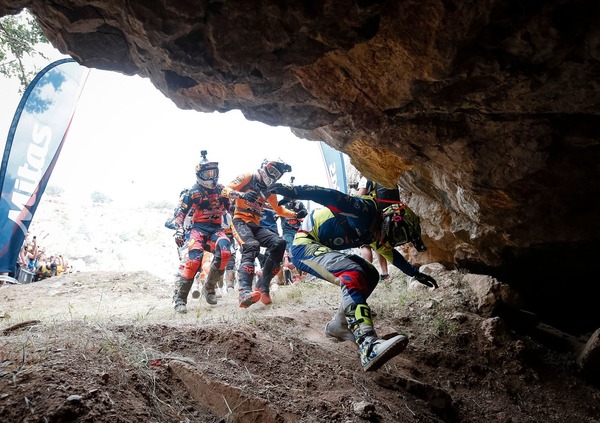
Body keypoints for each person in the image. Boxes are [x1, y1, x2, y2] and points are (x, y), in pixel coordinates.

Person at [267, 183, 438, 371]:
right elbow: (329, 196)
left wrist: (415, 273)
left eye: (399, 239)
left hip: (318, 245)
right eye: (395, 234)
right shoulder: (365, 210)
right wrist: (294, 191)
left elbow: (390, 254)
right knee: (352, 272)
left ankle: (338, 326)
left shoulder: (375, 231)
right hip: (303, 245)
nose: (391, 241)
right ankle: (367, 343)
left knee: (370, 274)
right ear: (388, 218)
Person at [223, 159, 307, 308]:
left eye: (277, 174)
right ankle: (244, 292)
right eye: (272, 171)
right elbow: (225, 190)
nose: (273, 176)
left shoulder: (269, 191)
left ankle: (263, 285)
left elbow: (279, 210)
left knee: (280, 243)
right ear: (264, 168)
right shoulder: (248, 177)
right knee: (251, 246)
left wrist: (295, 214)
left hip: (255, 225)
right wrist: (241, 195)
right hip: (240, 221)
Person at [169, 150, 232, 313]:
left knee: (226, 251)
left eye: (213, 173)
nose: (211, 177)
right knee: (193, 261)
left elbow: (231, 209)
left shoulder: (222, 190)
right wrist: (178, 231)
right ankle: (180, 299)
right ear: (199, 175)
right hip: (197, 230)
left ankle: (209, 288)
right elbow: (179, 215)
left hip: (216, 229)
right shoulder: (192, 192)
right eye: (207, 174)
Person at [357, 176, 402, 281]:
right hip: (385, 215)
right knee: (379, 243)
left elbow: (360, 196)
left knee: (365, 245)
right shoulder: (382, 177)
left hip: (371, 217)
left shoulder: (366, 178)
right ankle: (385, 274)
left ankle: (367, 275)